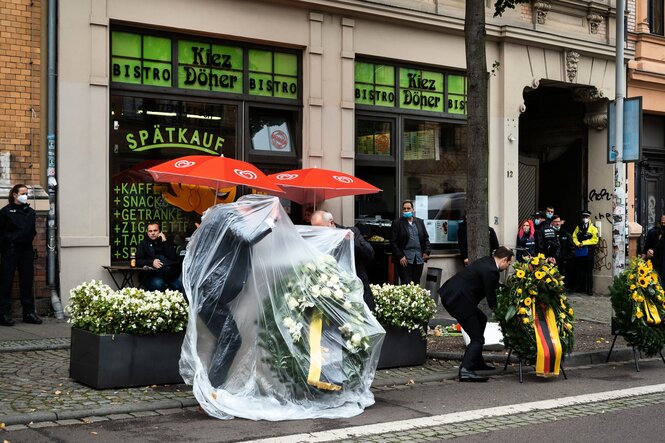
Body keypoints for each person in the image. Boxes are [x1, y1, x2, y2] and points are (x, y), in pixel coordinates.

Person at [187, 195, 281, 387]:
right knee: (231, 338)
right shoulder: (230, 216)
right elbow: (247, 238)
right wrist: (272, 219)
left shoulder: (221, 213)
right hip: (210, 292)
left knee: (223, 338)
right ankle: (212, 389)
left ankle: (212, 384)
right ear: (251, 209)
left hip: (209, 290)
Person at [438, 246, 514, 382]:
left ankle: (476, 361)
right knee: (477, 339)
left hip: (453, 295)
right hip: (459, 301)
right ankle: (466, 370)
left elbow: (491, 284)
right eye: (508, 264)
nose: (507, 266)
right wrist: (501, 314)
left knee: (482, 319)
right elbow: (491, 297)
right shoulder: (492, 271)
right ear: (503, 260)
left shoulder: (487, 261)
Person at [310, 210, 376, 309]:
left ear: (331, 223)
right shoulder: (317, 240)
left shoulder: (351, 232)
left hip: (357, 290)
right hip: (332, 294)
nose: (318, 233)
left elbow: (369, 254)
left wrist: (352, 241)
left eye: (320, 229)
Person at [0, 184, 42, 326]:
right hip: (11, 249)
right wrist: (5, 247)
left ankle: (29, 313)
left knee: (27, 281)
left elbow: (32, 230)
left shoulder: (30, 211)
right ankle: (3, 314)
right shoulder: (6, 212)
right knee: (6, 282)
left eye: (27, 193)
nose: (26, 195)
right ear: (15, 195)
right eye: (23, 193)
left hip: (26, 250)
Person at [390, 200, 431, 284]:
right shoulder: (397, 223)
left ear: (413, 210)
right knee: (406, 283)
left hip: (418, 258)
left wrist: (426, 252)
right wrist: (400, 256)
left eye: (408, 208)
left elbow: (426, 238)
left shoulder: (419, 222)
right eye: (404, 209)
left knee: (416, 283)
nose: (406, 210)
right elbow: (393, 242)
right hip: (405, 259)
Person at [135, 221, 184, 293]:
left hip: (170, 275)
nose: (153, 233)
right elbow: (137, 261)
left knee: (179, 285)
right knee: (159, 284)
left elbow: (173, 257)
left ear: (160, 231)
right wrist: (151, 262)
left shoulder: (166, 242)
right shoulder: (144, 244)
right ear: (147, 232)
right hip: (152, 276)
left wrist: (164, 241)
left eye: (155, 230)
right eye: (150, 231)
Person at [572, 210, 599, 295]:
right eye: (583, 217)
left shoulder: (593, 227)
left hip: (589, 252)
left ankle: (589, 289)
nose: (585, 218)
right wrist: (577, 244)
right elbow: (574, 236)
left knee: (589, 272)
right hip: (580, 251)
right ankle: (579, 287)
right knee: (579, 270)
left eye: (586, 217)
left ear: (589, 217)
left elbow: (595, 240)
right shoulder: (578, 227)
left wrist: (584, 243)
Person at [642, 213, 665, 281]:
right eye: (662, 223)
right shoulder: (652, 232)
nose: (663, 225)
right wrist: (647, 254)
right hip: (656, 266)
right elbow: (646, 249)